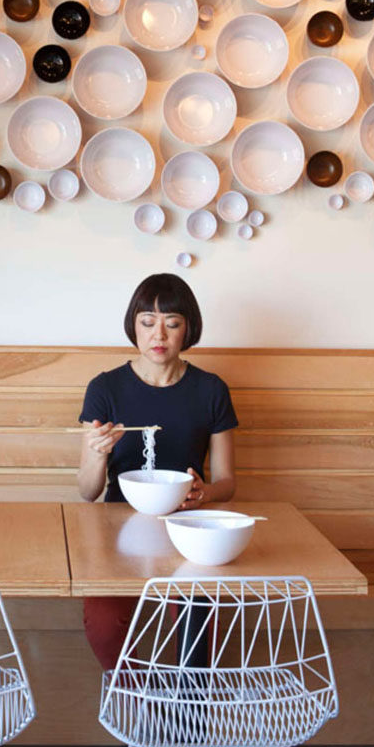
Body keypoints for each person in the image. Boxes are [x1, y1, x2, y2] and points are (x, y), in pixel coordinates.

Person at [77, 273, 238, 669]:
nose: (158, 334)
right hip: (117, 528)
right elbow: (86, 491)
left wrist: (205, 493)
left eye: (172, 323)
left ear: (189, 329)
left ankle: (190, 708)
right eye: (147, 322)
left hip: (190, 527)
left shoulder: (211, 389)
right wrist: (98, 454)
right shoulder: (105, 389)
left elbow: (228, 483)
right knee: (102, 622)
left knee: (203, 623)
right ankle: (135, 701)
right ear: (134, 326)